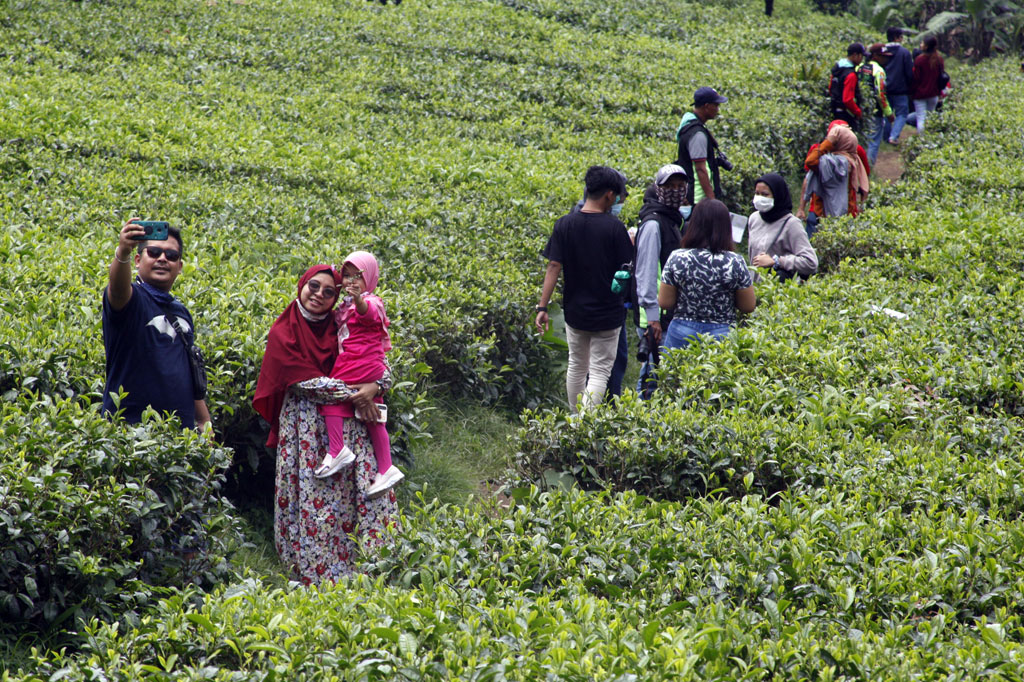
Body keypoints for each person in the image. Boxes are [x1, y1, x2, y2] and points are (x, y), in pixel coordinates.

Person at [253, 265, 398, 584]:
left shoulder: (340, 323)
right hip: (305, 426)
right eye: (313, 287)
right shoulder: (284, 331)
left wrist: (376, 385)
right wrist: (359, 391)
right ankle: (316, 573)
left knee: (352, 491)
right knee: (315, 493)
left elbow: (374, 358)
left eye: (329, 291)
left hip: (348, 425)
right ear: (301, 286)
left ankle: (366, 567)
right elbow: (304, 381)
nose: (319, 295)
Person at [535, 166, 634, 413]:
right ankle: (583, 426)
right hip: (608, 313)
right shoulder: (615, 228)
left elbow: (553, 266)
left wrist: (542, 306)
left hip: (575, 311)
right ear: (609, 195)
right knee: (600, 371)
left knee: (576, 365)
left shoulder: (564, 224)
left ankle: (574, 419)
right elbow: (626, 271)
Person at [102, 218, 211, 432]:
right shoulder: (131, 301)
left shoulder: (181, 313)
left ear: (179, 267)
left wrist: (203, 421)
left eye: (171, 256)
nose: (162, 259)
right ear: (137, 260)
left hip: (180, 438)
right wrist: (122, 251)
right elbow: (117, 289)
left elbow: (187, 370)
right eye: (153, 252)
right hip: (131, 434)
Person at [314, 252, 404, 499]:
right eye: (348, 275)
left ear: (370, 279)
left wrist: (358, 300)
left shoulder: (371, 300)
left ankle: (336, 449)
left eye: (359, 276)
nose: (352, 281)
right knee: (373, 415)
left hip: (359, 364)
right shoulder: (345, 306)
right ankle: (386, 468)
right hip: (370, 366)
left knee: (331, 400)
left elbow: (369, 313)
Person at [657, 199, 755, 350]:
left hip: (682, 331)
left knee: (674, 373)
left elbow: (665, 302)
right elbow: (748, 305)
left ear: (694, 225)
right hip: (723, 333)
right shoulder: (734, 261)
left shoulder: (677, 257)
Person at [632, 164, 688, 397]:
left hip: (665, 312)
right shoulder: (654, 223)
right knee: (651, 376)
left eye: (680, 186)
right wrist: (652, 318)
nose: (675, 191)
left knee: (658, 372)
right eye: (669, 186)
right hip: (654, 315)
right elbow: (645, 273)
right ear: (658, 189)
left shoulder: (671, 220)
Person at [748, 173, 818, 282]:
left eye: (765, 194)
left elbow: (810, 262)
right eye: (757, 193)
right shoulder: (754, 218)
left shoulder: (791, 224)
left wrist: (776, 261)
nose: (759, 198)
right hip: (755, 287)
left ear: (777, 195)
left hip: (777, 290)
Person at [798, 121, 870, 224]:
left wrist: (801, 207)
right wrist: (862, 206)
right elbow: (864, 182)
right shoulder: (853, 154)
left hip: (825, 212)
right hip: (842, 211)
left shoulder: (822, 155)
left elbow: (809, 172)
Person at [675, 86, 729, 204]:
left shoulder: (690, 126)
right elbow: (700, 169)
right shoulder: (697, 134)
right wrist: (712, 200)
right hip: (698, 199)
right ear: (706, 106)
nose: (717, 109)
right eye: (716, 105)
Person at [863, 43, 895, 166]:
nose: (886, 59)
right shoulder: (879, 71)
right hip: (875, 112)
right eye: (883, 56)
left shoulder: (861, 68)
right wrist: (889, 113)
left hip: (862, 111)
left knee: (863, 141)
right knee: (873, 141)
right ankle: (868, 169)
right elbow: (881, 94)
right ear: (875, 56)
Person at [881, 26, 915, 145]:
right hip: (900, 89)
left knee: (886, 112)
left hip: (885, 89)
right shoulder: (904, 53)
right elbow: (909, 73)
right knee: (902, 113)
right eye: (901, 37)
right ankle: (893, 136)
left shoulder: (882, 51)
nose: (902, 39)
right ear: (896, 38)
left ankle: (886, 137)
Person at [910, 35, 945, 134]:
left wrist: (912, 92)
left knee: (921, 118)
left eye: (922, 43)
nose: (920, 45)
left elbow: (916, 78)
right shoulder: (939, 59)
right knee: (929, 118)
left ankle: (922, 140)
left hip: (920, 94)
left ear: (926, 46)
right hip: (934, 93)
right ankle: (929, 139)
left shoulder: (919, 60)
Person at [829, 43, 866, 130]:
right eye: (861, 56)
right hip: (846, 115)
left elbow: (831, 88)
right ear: (855, 55)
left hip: (835, 111)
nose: (862, 59)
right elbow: (847, 99)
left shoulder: (837, 69)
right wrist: (858, 112)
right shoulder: (851, 75)